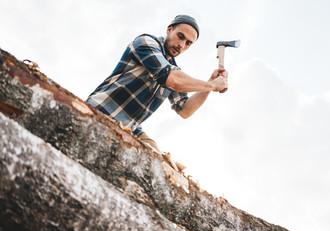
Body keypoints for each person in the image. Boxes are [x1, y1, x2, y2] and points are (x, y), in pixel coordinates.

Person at [86, 15, 228, 153]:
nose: (181, 45)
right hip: (103, 110)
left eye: (188, 43)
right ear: (169, 30)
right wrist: (213, 85)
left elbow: (185, 110)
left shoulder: (175, 70)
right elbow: (169, 77)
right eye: (180, 36)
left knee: (156, 157)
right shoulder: (146, 42)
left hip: (129, 126)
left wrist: (209, 84)